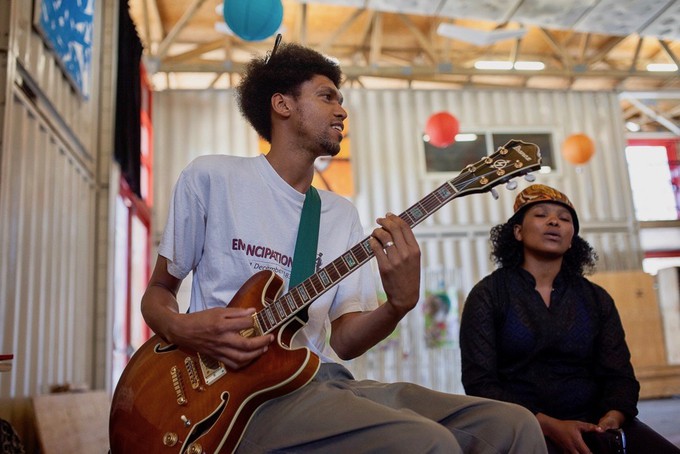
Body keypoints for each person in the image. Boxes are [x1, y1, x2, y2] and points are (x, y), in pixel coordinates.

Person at [141, 36, 547, 453]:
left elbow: (345, 341)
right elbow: (158, 293)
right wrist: (183, 326)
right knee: (427, 443)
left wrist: (397, 305)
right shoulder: (212, 178)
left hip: (319, 380)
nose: (342, 110)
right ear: (283, 105)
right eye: (326, 96)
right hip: (242, 400)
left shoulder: (340, 215)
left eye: (341, 99)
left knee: (512, 425)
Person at [459, 184, 680, 454]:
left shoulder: (596, 298)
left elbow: (620, 376)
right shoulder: (488, 294)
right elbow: (479, 383)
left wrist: (612, 418)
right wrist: (548, 424)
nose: (554, 221)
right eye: (541, 215)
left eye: (565, 219)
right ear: (517, 231)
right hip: (520, 426)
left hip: (596, 424)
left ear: (572, 238)